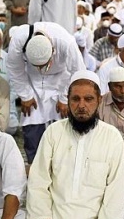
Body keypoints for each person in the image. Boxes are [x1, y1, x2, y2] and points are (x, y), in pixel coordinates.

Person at [16, 71, 124, 219]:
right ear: (67, 101)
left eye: (88, 99)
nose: (81, 105)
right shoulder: (53, 132)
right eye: (75, 99)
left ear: (99, 100)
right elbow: (38, 180)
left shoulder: (112, 137)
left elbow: (117, 187)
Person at [7, 22, 84, 162]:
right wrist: (25, 95)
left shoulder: (66, 42)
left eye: (43, 65)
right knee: (31, 127)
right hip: (32, 83)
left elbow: (78, 71)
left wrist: (65, 98)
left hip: (61, 82)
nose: (41, 68)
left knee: (64, 129)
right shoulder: (18, 40)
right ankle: (34, 165)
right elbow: (14, 69)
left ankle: (63, 165)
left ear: (53, 50)